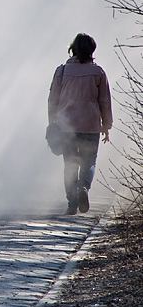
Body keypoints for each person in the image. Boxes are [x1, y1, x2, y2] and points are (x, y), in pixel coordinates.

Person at [47, 33, 112, 215]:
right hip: (90, 125)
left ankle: (71, 204)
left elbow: (53, 99)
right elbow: (105, 101)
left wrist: (52, 121)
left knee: (69, 164)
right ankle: (84, 187)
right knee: (89, 162)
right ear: (92, 50)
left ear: (73, 49)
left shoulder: (61, 71)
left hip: (66, 126)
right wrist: (106, 126)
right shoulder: (98, 72)